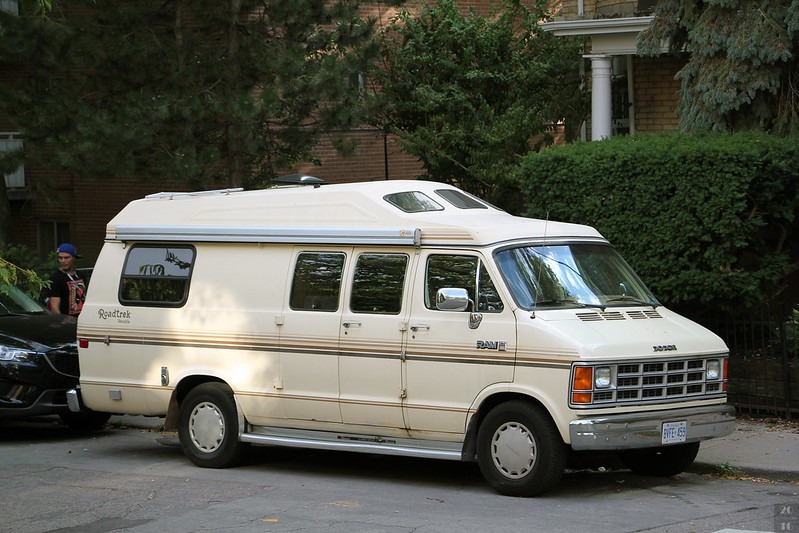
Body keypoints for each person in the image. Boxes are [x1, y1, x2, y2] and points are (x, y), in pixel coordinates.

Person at [48, 243, 89, 316]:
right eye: (60, 258)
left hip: (83, 319)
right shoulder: (55, 278)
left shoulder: (81, 275)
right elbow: (54, 308)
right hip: (67, 322)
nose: (63, 261)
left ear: (74, 258)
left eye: (66, 258)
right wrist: (62, 323)